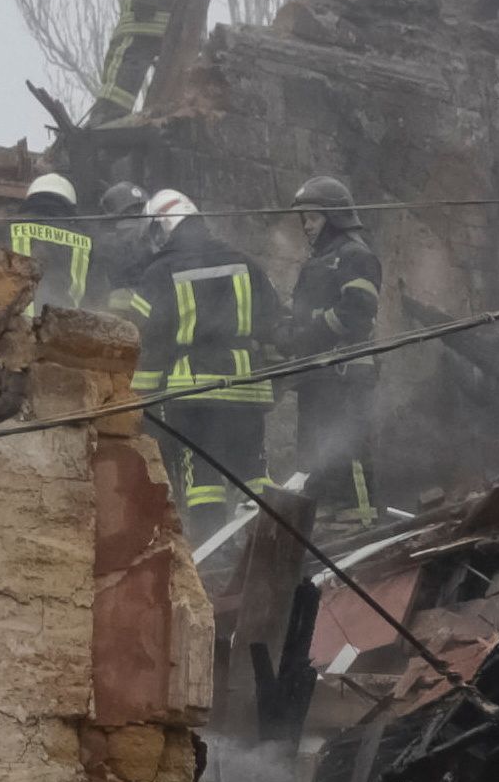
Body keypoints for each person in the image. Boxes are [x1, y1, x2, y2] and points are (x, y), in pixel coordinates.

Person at [139, 186, 269, 529]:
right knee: (253, 472)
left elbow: (145, 340)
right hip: (248, 389)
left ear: (161, 227)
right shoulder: (246, 263)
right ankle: (267, 540)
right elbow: (275, 323)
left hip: (194, 392)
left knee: (203, 476)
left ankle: (214, 551)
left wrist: (139, 398)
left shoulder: (159, 273)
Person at [279, 174, 384, 518]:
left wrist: (310, 332)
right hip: (317, 375)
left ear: (334, 217)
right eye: (303, 220)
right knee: (316, 452)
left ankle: (359, 516)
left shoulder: (355, 256)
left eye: (312, 218)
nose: (306, 227)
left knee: (348, 448)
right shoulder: (316, 262)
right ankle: (325, 514)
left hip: (346, 374)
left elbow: (356, 314)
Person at [2, 171, 94, 310]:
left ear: (31, 199)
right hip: (65, 327)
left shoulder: (4, 227)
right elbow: (96, 290)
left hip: (15, 328)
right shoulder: (87, 241)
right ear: (70, 204)